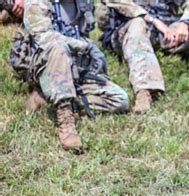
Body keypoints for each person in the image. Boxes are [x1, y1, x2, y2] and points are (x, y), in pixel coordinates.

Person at [10, 0, 129, 151]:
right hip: (44, 64)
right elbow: (42, 36)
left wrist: (92, 49)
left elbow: (82, 33)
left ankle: (47, 96)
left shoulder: (83, 3)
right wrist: (81, 46)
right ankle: (65, 118)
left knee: (120, 100)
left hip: (73, 66)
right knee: (58, 47)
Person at [96, 0, 189, 114]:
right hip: (127, 30)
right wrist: (152, 20)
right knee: (137, 24)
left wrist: (185, 22)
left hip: (165, 30)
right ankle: (145, 91)